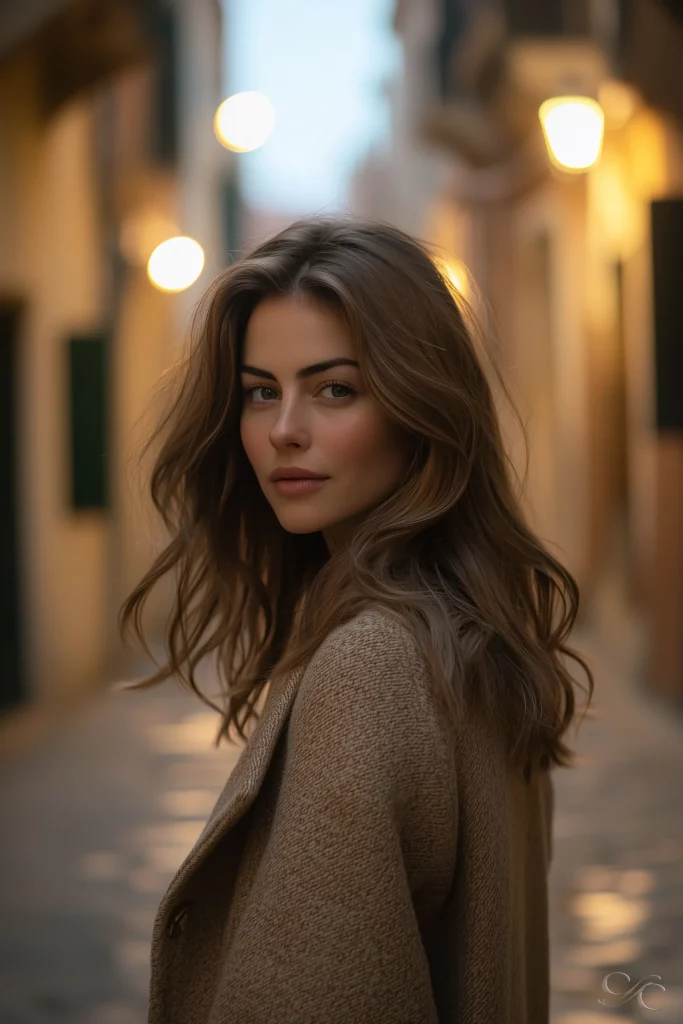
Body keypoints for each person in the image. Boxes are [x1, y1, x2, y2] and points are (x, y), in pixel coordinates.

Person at [119, 216, 594, 1023]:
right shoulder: (475, 633)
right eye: (260, 392)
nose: (282, 431)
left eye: (334, 388)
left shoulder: (368, 666)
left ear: (421, 407)